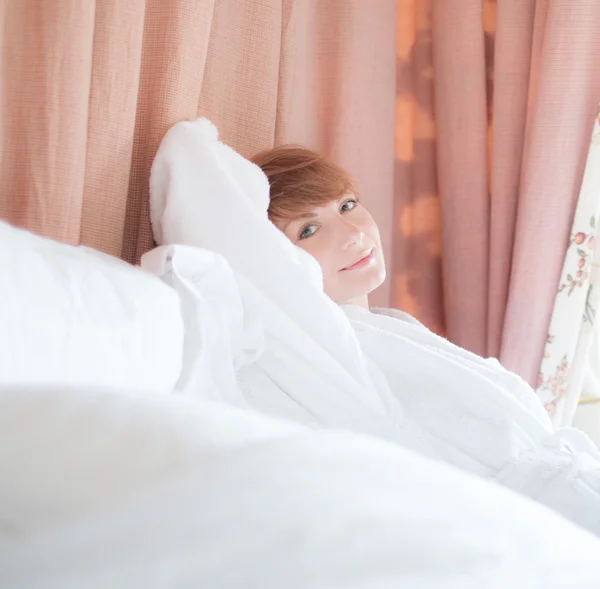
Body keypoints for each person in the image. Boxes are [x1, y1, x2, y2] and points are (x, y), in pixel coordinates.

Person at [250, 144, 600, 536]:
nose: (353, 233)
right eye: (308, 230)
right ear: (273, 258)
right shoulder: (331, 353)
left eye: (347, 205)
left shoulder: (388, 327)